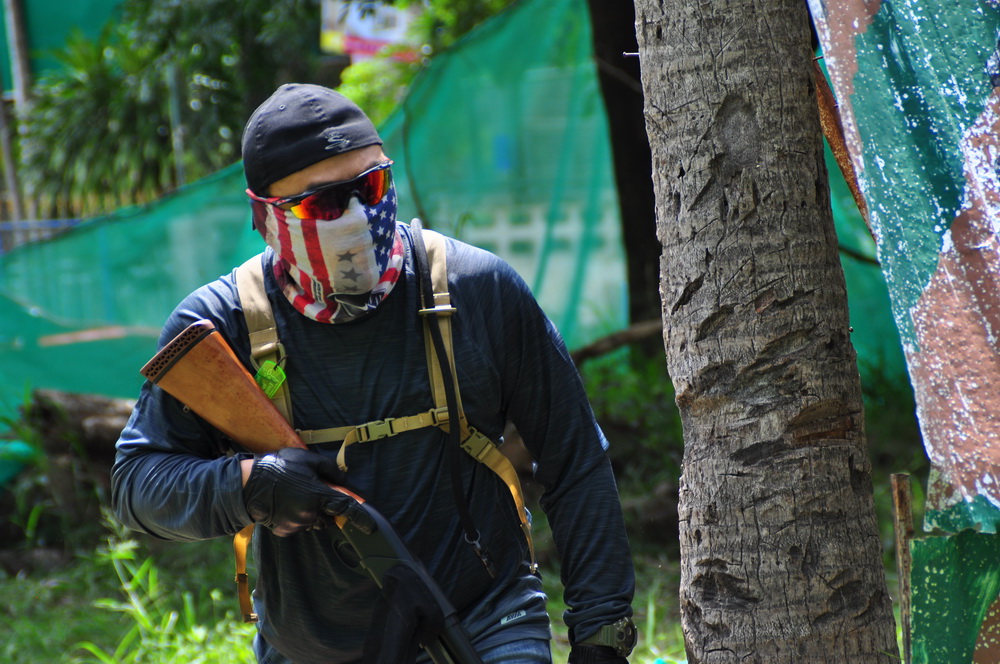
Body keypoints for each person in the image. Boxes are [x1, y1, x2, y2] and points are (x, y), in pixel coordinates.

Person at [112, 83, 636, 664]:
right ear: (264, 215)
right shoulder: (220, 325)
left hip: (486, 619)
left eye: (372, 186)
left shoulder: (476, 288)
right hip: (314, 647)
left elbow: (575, 459)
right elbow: (137, 485)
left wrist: (601, 634)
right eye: (322, 204)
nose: (357, 217)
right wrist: (250, 484)